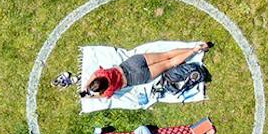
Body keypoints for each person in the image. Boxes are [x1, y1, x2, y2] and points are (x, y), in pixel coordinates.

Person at [81, 41, 210, 100]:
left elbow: (102, 97)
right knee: (166, 55)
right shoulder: (101, 73)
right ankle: (194, 48)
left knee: (169, 63)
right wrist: (87, 85)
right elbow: (93, 75)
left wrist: (90, 96)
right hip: (131, 64)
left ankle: (194, 51)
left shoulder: (107, 91)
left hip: (136, 78)